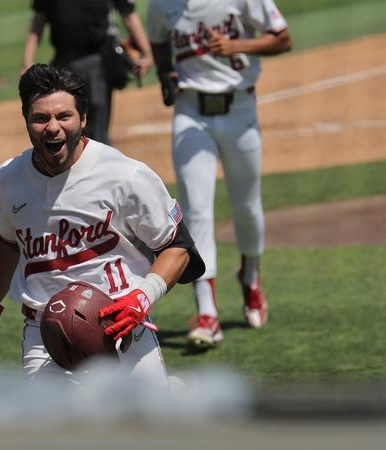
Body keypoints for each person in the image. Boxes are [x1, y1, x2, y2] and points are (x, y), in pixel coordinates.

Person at [0, 64, 204, 381]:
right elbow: (8, 244)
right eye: (41, 118)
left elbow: (178, 247)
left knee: (146, 427)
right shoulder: (9, 179)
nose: (53, 128)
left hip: (121, 325)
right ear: (26, 120)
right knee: (55, 430)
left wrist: (142, 297)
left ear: (84, 119)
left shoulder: (125, 175)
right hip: (45, 335)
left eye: (64, 116)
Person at [146, 0, 292, 348]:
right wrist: (165, 71)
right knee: (195, 210)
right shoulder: (161, 4)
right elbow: (157, 38)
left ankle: (251, 277)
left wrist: (236, 45)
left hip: (240, 110)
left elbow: (282, 39)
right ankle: (207, 312)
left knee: (247, 207)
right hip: (190, 112)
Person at [21, 0, 153, 144]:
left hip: (97, 61)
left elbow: (128, 13)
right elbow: (38, 21)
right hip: (63, 63)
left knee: (96, 125)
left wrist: (147, 53)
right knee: (64, 121)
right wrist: (27, 61)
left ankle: (99, 161)